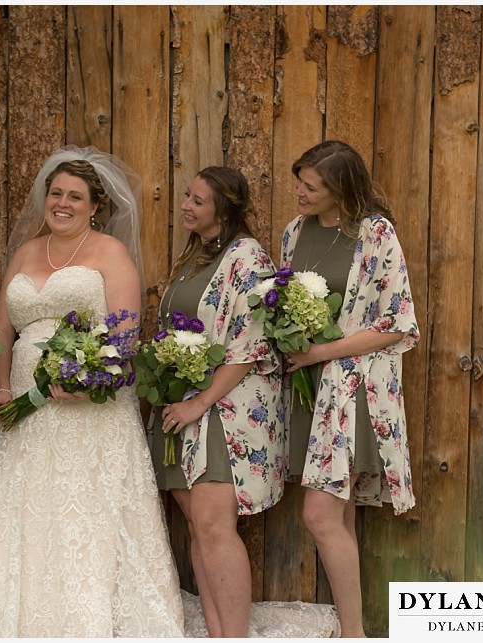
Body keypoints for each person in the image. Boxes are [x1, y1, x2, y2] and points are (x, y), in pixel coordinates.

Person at [0, 146, 184, 637]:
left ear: (94, 205)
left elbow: (124, 334)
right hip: (27, 405)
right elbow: (2, 330)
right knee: (24, 513)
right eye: (55, 193)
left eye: (74, 196)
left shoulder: (110, 252)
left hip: (91, 409)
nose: (62, 203)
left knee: (88, 513)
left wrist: (90, 379)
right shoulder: (25, 253)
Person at [282, 140, 419, 637]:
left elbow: (397, 324)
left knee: (319, 515)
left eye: (312, 186)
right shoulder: (294, 232)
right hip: (307, 389)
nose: (300, 191)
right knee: (337, 518)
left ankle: (354, 634)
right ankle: (354, 631)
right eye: (299, 180)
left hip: (352, 387)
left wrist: (320, 352)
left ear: (340, 189)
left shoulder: (375, 233)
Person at [149, 167, 285, 637]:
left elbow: (251, 345)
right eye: (186, 195)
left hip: (223, 410)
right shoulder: (193, 256)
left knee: (213, 524)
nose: (185, 205)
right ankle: (217, 633)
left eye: (198, 201)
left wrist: (198, 403)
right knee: (197, 524)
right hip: (182, 405)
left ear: (223, 211)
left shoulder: (246, 257)